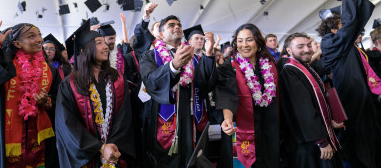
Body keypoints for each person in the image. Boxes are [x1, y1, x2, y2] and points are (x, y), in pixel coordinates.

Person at [0, 20, 61, 168]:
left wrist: (47, 102)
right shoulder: (5, 67)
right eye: (31, 36)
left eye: (39, 35)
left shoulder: (51, 71)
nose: (39, 39)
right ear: (17, 44)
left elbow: (59, 101)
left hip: (41, 139)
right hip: (5, 136)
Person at [317, 0, 380, 168]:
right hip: (351, 100)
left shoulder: (350, 46)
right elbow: (352, 23)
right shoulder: (330, 42)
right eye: (342, 24)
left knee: (369, 143)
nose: (352, 28)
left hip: (364, 101)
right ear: (334, 28)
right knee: (355, 147)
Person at [55, 20, 135, 167]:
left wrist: (111, 146)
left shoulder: (118, 78)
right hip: (85, 156)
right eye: (99, 43)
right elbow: (67, 123)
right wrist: (99, 147)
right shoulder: (70, 83)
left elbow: (125, 117)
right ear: (84, 50)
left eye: (105, 43)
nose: (105, 47)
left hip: (115, 152)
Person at [139, 15, 216, 167]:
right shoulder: (150, 56)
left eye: (179, 24)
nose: (177, 27)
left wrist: (208, 54)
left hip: (190, 117)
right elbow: (151, 81)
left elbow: (206, 84)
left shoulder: (193, 58)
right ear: (161, 34)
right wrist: (173, 66)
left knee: (190, 159)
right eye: (171, 25)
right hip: (162, 119)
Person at [217, 23, 280, 168]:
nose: (244, 45)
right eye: (240, 41)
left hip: (268, 125)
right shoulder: (229, 66)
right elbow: (226, 93)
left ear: (258, 42)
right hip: (241, 127)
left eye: (249, 40)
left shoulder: (270, 66)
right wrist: (227, 119)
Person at [279, 32, 343, 168]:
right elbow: (303, 109)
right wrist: (321, 141)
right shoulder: (290, 71)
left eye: (308, 45)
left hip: (316, 136)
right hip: (310, 142)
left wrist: (330, 120)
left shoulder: (305, 67)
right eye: (300, 47)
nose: (307, 50)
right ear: (289, 50)